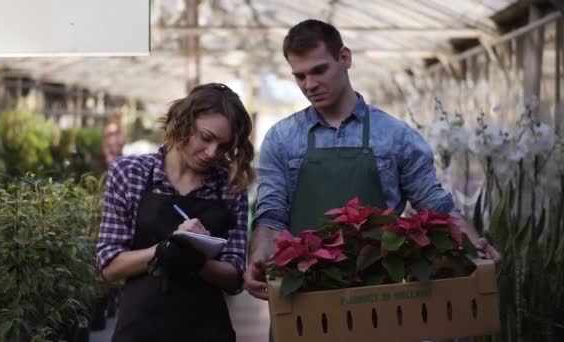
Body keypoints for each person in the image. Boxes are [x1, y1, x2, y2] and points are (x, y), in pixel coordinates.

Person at [243, 19, 501, 301]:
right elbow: (271, 214)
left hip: (378, 294)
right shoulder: (281, 138)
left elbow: (435, 206)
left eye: (319, 71)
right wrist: (258, 255)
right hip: (302, 294)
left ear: (344, 58)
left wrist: (474, 244)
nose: (310, 85)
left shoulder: (395, 136)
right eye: (300, 76)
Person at [96, 83, 254, 341]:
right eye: (205, 137)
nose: (212, 153)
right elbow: (109, 265)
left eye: (224, 147)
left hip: (207, 330)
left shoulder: (229, 186)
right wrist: (163, 250)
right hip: (140, 329)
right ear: (183, 122)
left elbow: (235, 276)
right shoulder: (129, 173)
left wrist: (197, 261)